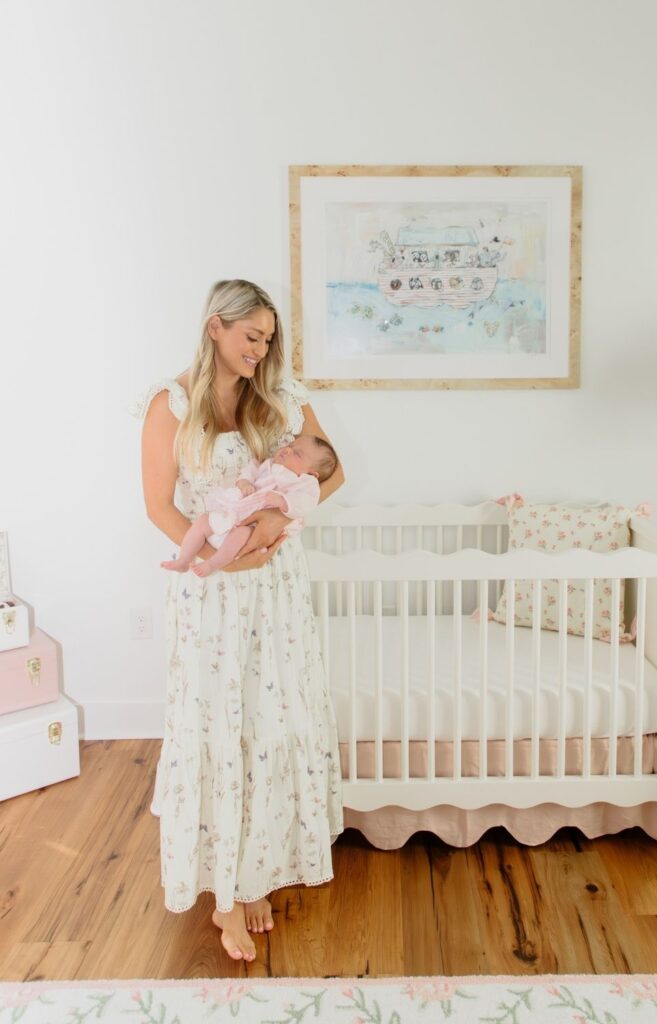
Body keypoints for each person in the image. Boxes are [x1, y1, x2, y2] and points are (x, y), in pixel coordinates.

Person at [133, 279, 344, 963]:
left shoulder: (280, 397)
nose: (262, 349)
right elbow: (159, 506)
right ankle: (224, 894)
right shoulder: (170, 406)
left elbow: (330, 472)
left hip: (277, 587)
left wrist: (284, 514)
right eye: (252, 336)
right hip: (212, 593)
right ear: (216, 327)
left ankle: (253, 874)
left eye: (269, 338)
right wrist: (216, 564)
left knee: (268, 723)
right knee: (220, 727)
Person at [160, 433, 337, 578]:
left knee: (239, 535)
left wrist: (282, 501)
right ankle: (184, 559)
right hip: (237, 509)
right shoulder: (268, 464)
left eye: (297, 454)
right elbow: (250, 471)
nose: (288, 450)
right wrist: (244, 482)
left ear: (312, 473)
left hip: (254, 525)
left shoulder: (305, 484)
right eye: (291, 445)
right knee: (203, 522)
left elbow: (306, 504)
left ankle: (213, 563)